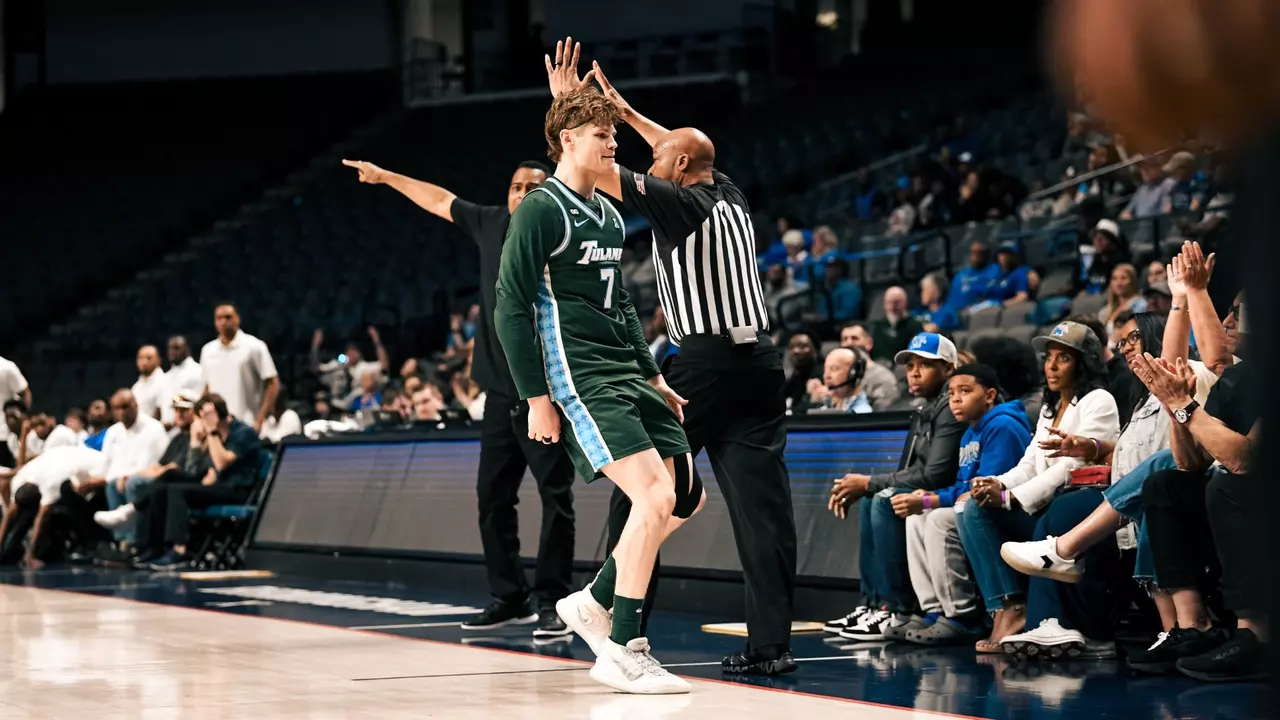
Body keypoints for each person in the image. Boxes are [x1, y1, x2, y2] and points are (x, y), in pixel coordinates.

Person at [584, 50, 799, 674]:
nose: (651, 165)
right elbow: (678, 148)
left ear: (677, 169)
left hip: (703, 367)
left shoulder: (679, 202)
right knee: (765, 512)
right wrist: (625, 112)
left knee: (643, 490)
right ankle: (770, 648)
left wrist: (575, 113)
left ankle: (620, 632)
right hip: (760, 363)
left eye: (658, 161)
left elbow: (596, 170)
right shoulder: (728, 194)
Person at [493, 75, 694, 694]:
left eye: (612, 133)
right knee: (653, 496)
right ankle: (623, 647)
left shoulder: (607, 212)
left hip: (627, 370)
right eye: (603, 134)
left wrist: (653, 372)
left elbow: (624, 306)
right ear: (567, 139)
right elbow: (509, 306)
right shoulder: (538, 210)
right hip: (579, 374)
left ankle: (592, 600)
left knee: (684, 497)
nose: (613, 144)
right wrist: (536, 399)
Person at [343, 146, 577, 641]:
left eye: (533, 187)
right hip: (497, 391)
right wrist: (386, 176)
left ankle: (554, 601)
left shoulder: (562, 232)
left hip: (547, 393)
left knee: (556, 498)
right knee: (493, 499)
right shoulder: (491, 223)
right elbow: (439, 199)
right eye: (516, 186)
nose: (522, 194)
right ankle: (510, 597)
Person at [956, 321, 1119, 653]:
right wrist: (999, 483)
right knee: (971, 507)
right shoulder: (1050, 407)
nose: (1052, 366)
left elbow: (1071, 466)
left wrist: (1013, 497)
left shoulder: (1098, 400)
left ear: (1084, 361)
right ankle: (1008, 606)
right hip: (1045, 501)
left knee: (1034, 513)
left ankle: (1037, 619)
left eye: (1064, 358)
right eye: (1049, 358)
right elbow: (1030, 462)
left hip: (1084, 503)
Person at [825, 333, 964, 640]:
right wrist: (870, 485)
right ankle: (873, 603)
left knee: (882, 499)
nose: (913, 372)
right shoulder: (926, 407)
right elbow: (914, 469)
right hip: (932, 489)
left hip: (949, 493)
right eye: (910, 365)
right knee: (873, 497)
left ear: (949, 369)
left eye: (925, 365)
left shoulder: (950, 408)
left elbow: (935, 475)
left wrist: (871, 483)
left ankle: (899, 609)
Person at [897, 364, 1032, 645]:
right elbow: (962, 487)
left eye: (965, 391)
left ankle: (961, 614)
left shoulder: (1002, 425)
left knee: (938, 520)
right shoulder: (969, 432)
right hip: (976, 507)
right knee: (917, 517)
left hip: (1011, 509)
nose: (955, 399)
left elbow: (986, 487)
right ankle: (934, 609)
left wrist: (932, 500)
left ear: (990, 394)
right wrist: (927, 499)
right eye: (951, 392)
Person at [812, 348, 871, 413]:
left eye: (834, 369)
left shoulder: (862, 413)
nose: (826, 376)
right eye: (825, 369)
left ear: (853, 373)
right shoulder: (828, 407)